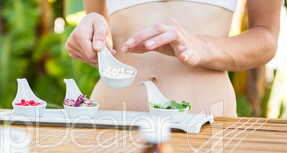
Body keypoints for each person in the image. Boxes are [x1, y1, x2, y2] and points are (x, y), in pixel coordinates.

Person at [65, 0, 282, 116]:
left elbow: (266, 38)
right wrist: (93, 30)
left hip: (204, 127)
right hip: (111, 120)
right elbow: (105, 33)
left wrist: (201, 47)